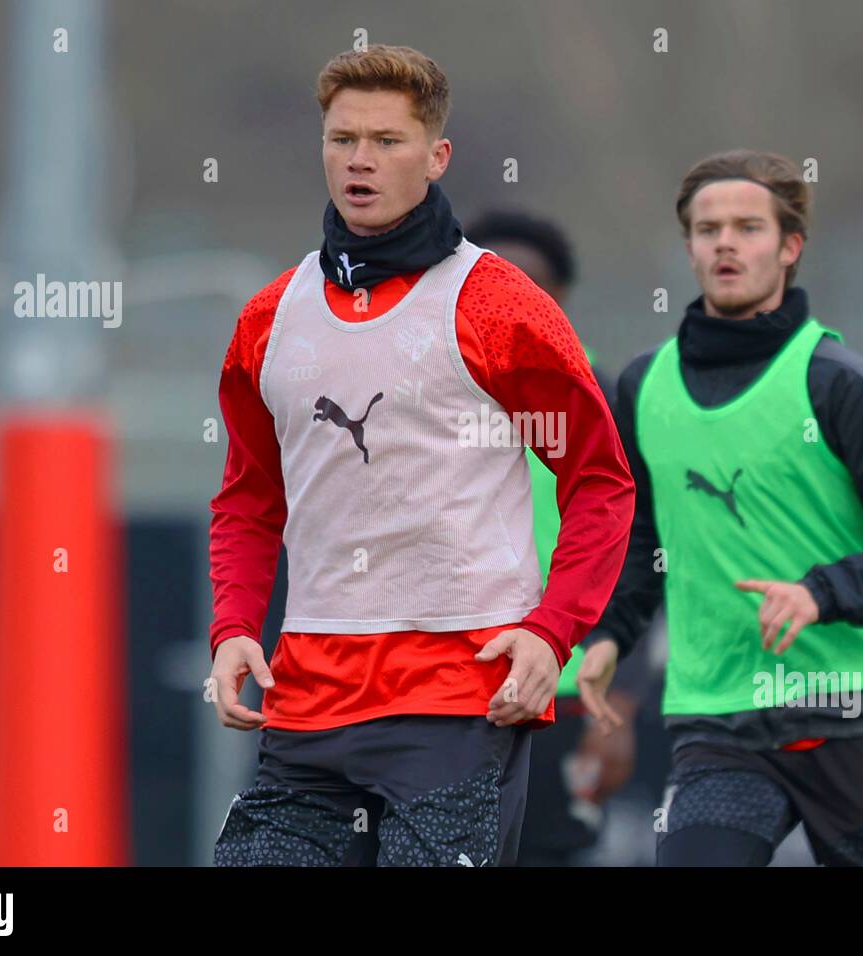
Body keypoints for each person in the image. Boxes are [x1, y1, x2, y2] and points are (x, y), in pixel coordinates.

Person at [206, 45, 634, 867]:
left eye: (387, 141)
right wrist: (231, 628)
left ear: (436, 158)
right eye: (342, 139)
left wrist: (551, 634)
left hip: (459, 699)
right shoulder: (268, 318)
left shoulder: (499, 305)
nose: (360, 160)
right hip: (309, 701)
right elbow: (248, 500)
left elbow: (600, 483)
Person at [588, 149, 863, 866]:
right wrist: (610, 632)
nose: (725, 243)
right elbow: (640, 538)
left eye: (747, 227)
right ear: (690, 249)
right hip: (720, 725)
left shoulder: (842, 385)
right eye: (707, 229)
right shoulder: (643, 388)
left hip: (854, 719)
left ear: (790, 247)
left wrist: (822, 593)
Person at [465, 209, 643, 866]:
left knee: (548, 853)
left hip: (566, 689)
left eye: (528, 286)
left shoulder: (607, 396)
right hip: (453, 680)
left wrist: (621, 699)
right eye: (491, 285)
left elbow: (644, 550)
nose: (509, 302)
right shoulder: (437, 389)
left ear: (559, 299)